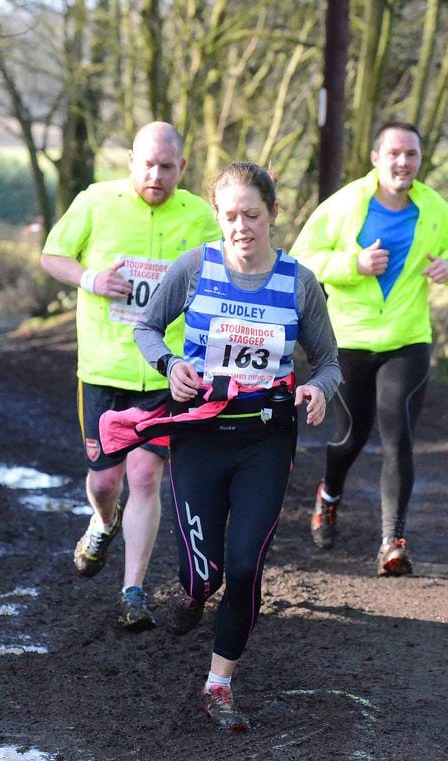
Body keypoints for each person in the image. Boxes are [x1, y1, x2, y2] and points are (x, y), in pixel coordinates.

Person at [132, 162, 341, 731]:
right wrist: (170, 363)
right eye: (230, 216)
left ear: (273, 214)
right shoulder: (195, 266)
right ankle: (196, 593)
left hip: (265, 440)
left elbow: (327, 361)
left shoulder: (299, 281)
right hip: (199, 432)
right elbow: (147, 327)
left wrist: (318, 390)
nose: (241, 226)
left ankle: (219, 683)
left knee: (246, 565)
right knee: (205, 573)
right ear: (218, 216)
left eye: (252, 214)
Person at [39, 122, 221, 631]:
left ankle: (132, 591)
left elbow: (226, 274)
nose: (156, 175)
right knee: (105, 480)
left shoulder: (201, 217)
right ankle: (102, 520)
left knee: (145, 476)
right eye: (148, 164)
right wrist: (91, 278)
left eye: (167, 167)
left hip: (167, 370)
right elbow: (52, 255)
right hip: (103, 368)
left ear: (182, 169)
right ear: (131, 162)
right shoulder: (96, 201)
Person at [290, 120, 448, 577]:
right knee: (352, 436)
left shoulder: (433, 207)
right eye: (394, 153)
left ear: (420, 161)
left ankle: (392, 541)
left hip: (407, 339)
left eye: (411, 154)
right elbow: (302, 258)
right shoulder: (347, 203)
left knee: (398, 430)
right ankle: (329, 495)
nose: (403, 162)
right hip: (348, 339)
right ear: (375, 158)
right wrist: (354, 263)